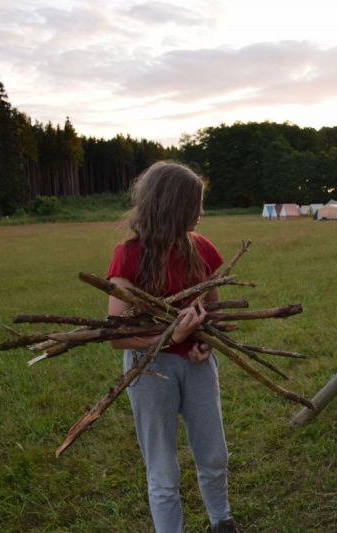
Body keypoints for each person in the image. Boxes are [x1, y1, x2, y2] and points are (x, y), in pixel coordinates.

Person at [106, 161, 240, 533]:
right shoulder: (129, 256)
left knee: (214, 454)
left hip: (196, 365)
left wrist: (205, 344)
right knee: (163, 467)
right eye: (194, 204)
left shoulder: (202, 248)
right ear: (173, 207)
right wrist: (171, 339)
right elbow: (117, 335)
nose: (201, 212)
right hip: (150, 369)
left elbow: (211, 310)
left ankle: (221, 521)